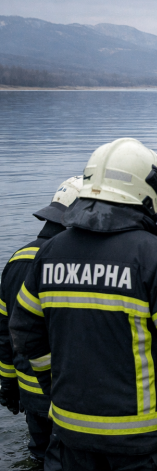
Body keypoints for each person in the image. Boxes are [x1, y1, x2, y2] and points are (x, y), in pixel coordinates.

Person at [9, 138, 157, 470]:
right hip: (149, 446)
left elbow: (24, 331)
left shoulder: (49, 255)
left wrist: (55, 385)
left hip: (70, 440)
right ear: (147, 191)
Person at [0, 175, 82, 467]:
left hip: (30, 392)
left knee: (39, 457)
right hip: (71, 397)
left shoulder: (16, 260)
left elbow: (5, 332)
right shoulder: (74, 264)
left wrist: (8, 383)